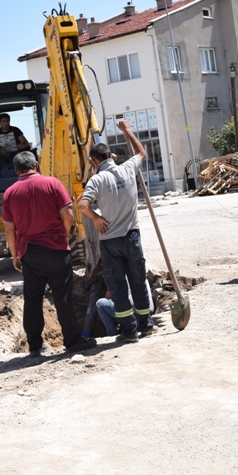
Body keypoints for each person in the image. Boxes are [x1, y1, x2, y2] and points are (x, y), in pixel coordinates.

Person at [2, 151, 94, 356]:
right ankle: (72, 341)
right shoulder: (52, 183)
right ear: (36, 165)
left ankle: (35, 345)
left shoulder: (9, 193)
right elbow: (68, 215)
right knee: (63, 296)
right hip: (56, 249)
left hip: (29, 252)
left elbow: (9, 229)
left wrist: (15, 256)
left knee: (32, 299)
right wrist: (64, 235)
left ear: (16, 171)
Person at [77, 119, 154, 343]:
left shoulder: (96, 180)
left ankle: (129, 332)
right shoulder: (128, 168)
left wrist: (97, 219)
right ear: (111, 156)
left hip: (110, 240)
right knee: (138, 280)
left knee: (118, 286)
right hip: (132, 236)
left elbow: (83, 205)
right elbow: (141, 152)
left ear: (94, 161)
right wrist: (127, 131)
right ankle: (146, 326)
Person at [0, 113, 31, 178]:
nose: (6, 123)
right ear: (0, 122)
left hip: (16, 153)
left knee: (21, 158)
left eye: (7, 121)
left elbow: (25, 142)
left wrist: (22, 145)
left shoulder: (15, 130)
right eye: (3, 121)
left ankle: (25, 177)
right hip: (4, 155)